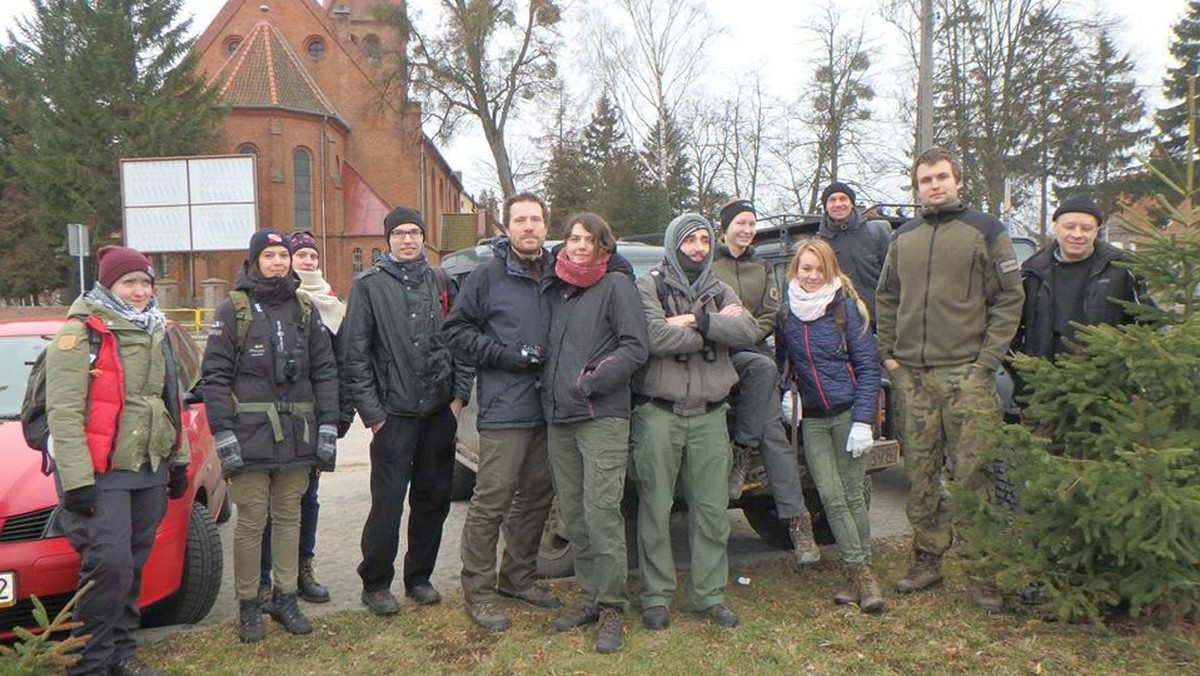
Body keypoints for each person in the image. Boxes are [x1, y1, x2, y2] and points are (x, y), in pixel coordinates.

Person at [875, 147, 1024, 612]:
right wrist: (890, 357)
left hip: (967, 374)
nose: (934, 185)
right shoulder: (906, 237)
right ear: (917, 186)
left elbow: (1009, 298)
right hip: (913, 377)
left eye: (942, 177)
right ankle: (927, 558)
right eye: (925, 179)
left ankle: (984, 573)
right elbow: (886, 297)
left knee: (973, 473)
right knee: (919, 473)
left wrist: (986, 362)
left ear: (958, 180)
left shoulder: (986, 231)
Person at [47, 246, 188, 676]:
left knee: (133, 560)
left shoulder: (155, 330)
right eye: (130, 282)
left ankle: (121, 651)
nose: (140, 291)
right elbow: (64, 414)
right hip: (100, 473)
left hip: (147, 468)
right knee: (108, 563)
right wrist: (76, 482)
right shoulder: (80, 334)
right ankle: (89, 662)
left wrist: (177, 460)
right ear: (108, 285)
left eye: (145, 282)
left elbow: (169, 401)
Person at [200, 228, 340, 642]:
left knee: (289, 518)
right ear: (255, 261)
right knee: (251, 522)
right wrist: (222, 432)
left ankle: (286, 596)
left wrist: (328, 426)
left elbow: (325, 370)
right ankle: (248, 603)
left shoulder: (304, 308)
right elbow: (214, 377)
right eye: (270, 256)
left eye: (283, 255)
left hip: (298, 436)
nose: (278, 263)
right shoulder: (233, 310)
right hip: (250, 435)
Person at [629, 213, 758, 631]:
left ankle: (708, 595)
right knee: (655, 508)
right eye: (690, 241)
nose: (699, 247)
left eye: (704, 239)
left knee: (711, 511)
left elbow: (748, 331)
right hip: (659, 415)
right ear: (674, 244)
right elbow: (652, 338)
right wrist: (717, 329)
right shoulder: (648, 285)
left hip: (709, 415)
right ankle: (656, 597)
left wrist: (698, 321)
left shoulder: (719, 288)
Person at [342, 207, 471, 615]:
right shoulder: (369, 286)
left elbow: (462, 341)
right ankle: (376, 582)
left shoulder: (441, 281)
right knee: (388, 504)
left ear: (424, 237)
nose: (408, 239)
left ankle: (420, 577)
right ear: (388, 239)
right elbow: (355, 355)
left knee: (432, 500)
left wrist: (457, 400)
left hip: (438, 412)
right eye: (399, 233)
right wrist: (374, 415)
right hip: (392, 415)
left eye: (415, 232)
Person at [443, 192, 562, 632]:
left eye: (535, 219)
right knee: (491, 500)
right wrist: (505, 355)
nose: (528, 227)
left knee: (536, 499)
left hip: (550, 407)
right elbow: (455, 331)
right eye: (520, 220)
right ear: (507, 228)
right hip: (504, 405)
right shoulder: (487, 276)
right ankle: (479, 590)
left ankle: (518, 577)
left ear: (546, 226)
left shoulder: (560, 273)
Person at [542, 213, 649, 653]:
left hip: (601, 415)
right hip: (559, 419)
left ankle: (611, 608)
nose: (580, 246)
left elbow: (635, 348)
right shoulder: (558, 289)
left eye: (589, 239)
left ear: (604, 245)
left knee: (602, 514)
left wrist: (588, 381)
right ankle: (588, 598)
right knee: (575, 515)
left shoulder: (616, 285)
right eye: (573, 238)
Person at [776, 238, 884, 613]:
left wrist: (862, 421)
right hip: (814, 419)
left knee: (852, 494)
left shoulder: (847, 308)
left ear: (830, 269)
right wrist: (787, 392)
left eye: (819, 268)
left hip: (847, 413)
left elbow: (869, 368)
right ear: (795, 269)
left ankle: (860, 574)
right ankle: (861, 575)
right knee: (831, 497)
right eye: (805, 268)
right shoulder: (787, 310)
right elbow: (785, 362)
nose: (812, 275)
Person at [712, 198, 819, 565]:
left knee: (774, 433)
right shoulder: (708, 264)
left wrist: (746, 333)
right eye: (739, 223)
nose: (746, 229)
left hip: (754, 355)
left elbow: (770, 314)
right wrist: (731, 334)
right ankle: (740, 455)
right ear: (724, 228)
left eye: (750, 223)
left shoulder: (760, 267)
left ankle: (797, 521)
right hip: (717, 357)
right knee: (766, 417)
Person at [255, 230, 350, 605]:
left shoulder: (330, 304)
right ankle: (263, 580)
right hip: (271, 420)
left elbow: (339, 366)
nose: (307, 262)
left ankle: (301, 569)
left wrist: (339, 416)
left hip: (313, 421)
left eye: (312, 256)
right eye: (300, 256)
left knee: (306, 501)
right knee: (266, 504)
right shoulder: (276, 302)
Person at [1013, 195, 1150, 360]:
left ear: (1096, 231)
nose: (1077, 234)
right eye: (1069, 227)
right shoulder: (1032, 273)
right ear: (1055, 228)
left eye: (1086, 228)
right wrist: (1022, 368)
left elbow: (1148, 322)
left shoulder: (1121, 269)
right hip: (1042, 379)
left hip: (1105, 380)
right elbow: (1010, 327)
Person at [815, 181, 892, 319]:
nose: (838, 204)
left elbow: (893, 277)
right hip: (843, 323)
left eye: (843, 198)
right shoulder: (819, 244)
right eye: (832, 200)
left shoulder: (877, 231)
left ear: (852, 203)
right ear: (826, 206)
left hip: (883, 317)